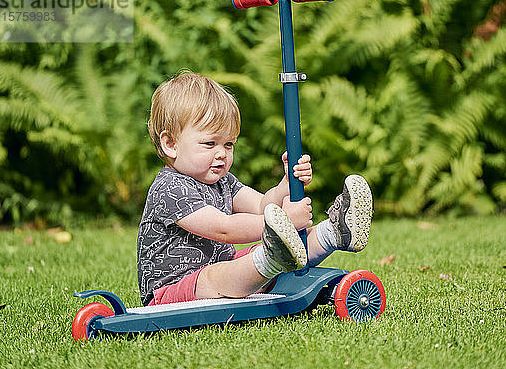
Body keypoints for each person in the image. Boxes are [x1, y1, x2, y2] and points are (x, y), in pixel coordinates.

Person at [137, 71, 373, 306]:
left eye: (229, 144)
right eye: (210, 143)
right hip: (172, 291)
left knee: (254, 255)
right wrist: (284, 221)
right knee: (220, 274)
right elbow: (224, 229)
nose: (222, 153)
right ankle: (273, 259)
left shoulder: (223, 181)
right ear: (170, 144)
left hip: (226, 273)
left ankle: (334, 233)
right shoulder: (169, 188)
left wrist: (286, 183)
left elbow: (263, 206)